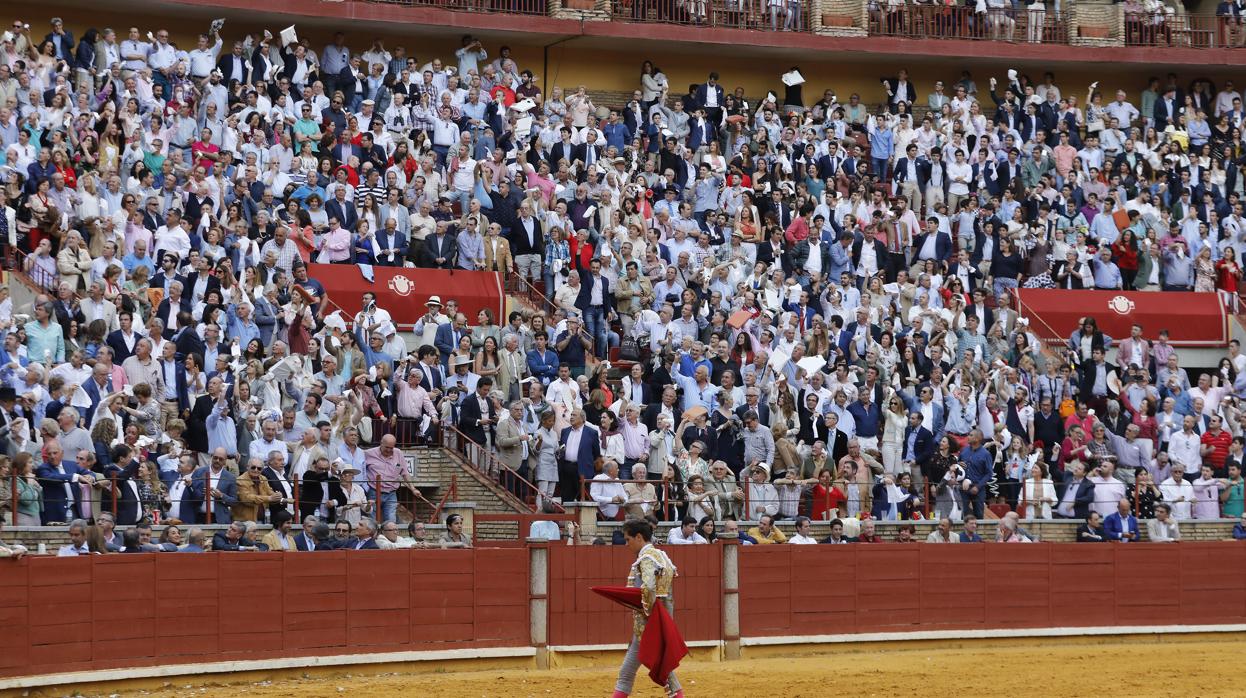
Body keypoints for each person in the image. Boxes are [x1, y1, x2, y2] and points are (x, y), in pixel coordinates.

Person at [613, 518, 684, 698]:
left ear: (638, 537)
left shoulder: (646, 558)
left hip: (648, 626)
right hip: (655, 624)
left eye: (628, 539)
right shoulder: (662, 556)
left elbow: (650, 587)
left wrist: (647, 613)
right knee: (661, 670)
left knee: (634, 672)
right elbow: (666, 594)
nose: (626, 544)